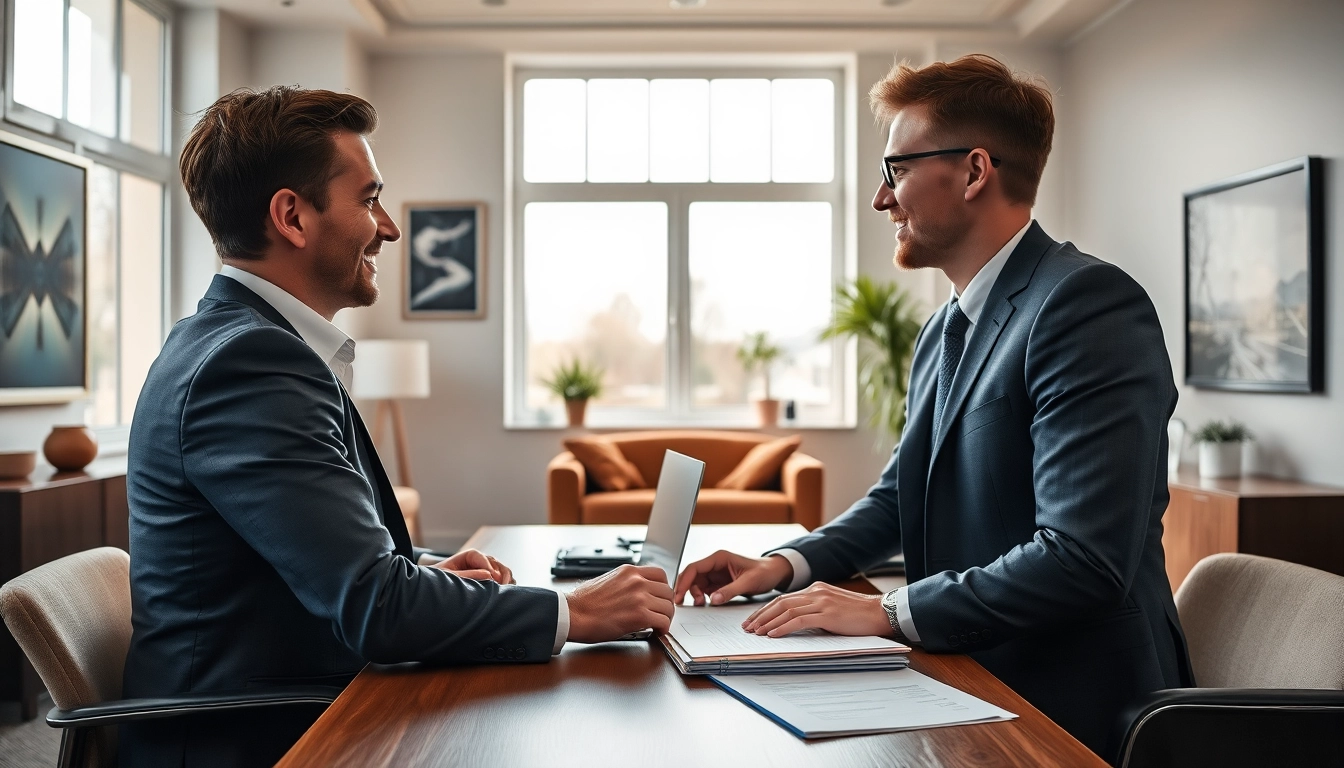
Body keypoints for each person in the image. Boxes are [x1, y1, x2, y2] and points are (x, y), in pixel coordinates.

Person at [122, 86, 675, 766]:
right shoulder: (250, 363)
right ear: (292, 217)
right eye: (369, 199)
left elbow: (308, 566)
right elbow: (374, 608)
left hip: (303, 697)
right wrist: (576, 614)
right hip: (257, 736)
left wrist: (424, 570)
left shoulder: (236, 343)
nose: (389, 228)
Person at [674, 54, 1192, 758]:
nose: (882, 199)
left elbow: (1080, 559)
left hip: (1071, 704)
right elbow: (899, 497)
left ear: (975, 171)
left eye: (897, 171)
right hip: (966, 673)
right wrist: (785, 563)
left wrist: (886, 610)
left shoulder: (1085, 306)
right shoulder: (942, 330)